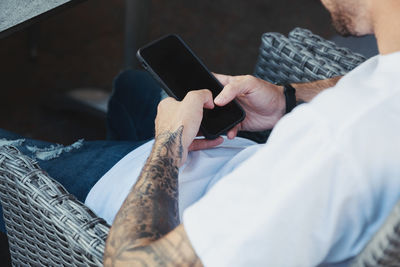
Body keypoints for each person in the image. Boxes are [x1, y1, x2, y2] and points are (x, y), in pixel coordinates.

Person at [0, 1, 399, 266]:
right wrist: (285, 99)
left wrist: (168, 144)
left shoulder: (335, 148)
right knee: (131, 88)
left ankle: (97, 183)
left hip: (159, 220)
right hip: (240, 162)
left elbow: (133, 262)